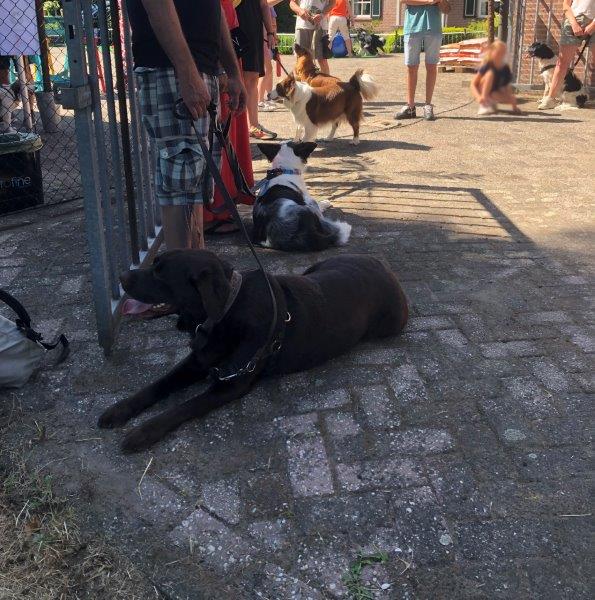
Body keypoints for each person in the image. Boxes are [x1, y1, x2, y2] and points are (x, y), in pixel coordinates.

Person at [127, 0, 247, 251]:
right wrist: (187, 71)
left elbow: (214, 10)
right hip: (170, 67)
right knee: (180, 181)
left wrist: (231, 70)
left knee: (195, 182)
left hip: (201, 67)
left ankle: (194, 266)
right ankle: (181, 280)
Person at [205, 0, 256, 235]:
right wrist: (226, 70)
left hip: (226, 50)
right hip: (215, 58)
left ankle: (223, 203)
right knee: (217, 135)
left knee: (225, 133)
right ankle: (214, 210)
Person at [394, 0, 450, 122]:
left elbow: (447, 9)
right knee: (411, 67)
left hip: (434, 27)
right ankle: (410, 106)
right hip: (412, 27)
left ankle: (428, 105)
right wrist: (429, 1)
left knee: (431, 66)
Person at [538, 0, 595, 109]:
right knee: (562, 63)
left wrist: (593, 24)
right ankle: (550, 99)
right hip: (574, 19)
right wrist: (574, 24)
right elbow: (566, 5)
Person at [236, 0, 279, 139]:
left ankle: (253, 125)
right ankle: (236, 127)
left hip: (253, 29)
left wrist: (270, 32)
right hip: (232, 25)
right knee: (234, 77)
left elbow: (264, 5)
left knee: (253, 76)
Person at [470, 40, 521, 115]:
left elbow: (507, 86)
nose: (501, 55)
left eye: (503, 52)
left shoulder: (505, 68)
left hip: (494, 92)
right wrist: (478, 97)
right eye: (498, 52)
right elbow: (473, 84)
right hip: (482, 90)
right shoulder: (487, 65)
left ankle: (491, 102)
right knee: (490, 74)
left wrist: (513, 104)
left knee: (511, 98)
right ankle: (484, 104)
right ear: (492, 52)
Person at [290, 0, 335, 74]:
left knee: (322, 59)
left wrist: (322, 14)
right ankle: (300, 83)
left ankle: (326, 83)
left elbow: (332, 3)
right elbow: (292, 3)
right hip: (302, 25)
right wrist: (300, 11)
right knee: (300, 58)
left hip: (320, 26)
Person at [258, 1, 281, 112]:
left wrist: (274, 36)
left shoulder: (270, 8)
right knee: (267, 69)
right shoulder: (265, 4)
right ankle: (260, 100)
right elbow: (267, 3)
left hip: (266, 39)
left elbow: (273, 22)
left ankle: (266, 97)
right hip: (261, 39)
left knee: (268, 69)